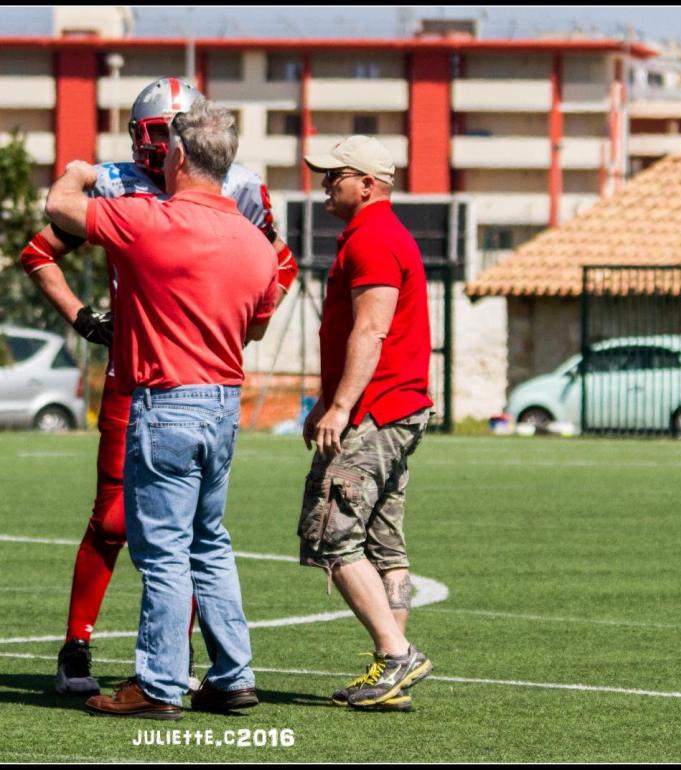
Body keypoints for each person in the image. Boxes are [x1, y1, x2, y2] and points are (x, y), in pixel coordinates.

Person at [18, 77, 297, 696]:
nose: (156, 148)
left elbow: (283, 264)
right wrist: (87, 319)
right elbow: (39, 252)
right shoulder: (134, 190)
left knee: (172, 538)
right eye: (150, 135)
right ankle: (93, 649)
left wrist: (73, 172)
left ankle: (163, 676)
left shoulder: (211, 195)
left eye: (166, 136)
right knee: (151, 526)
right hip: (173, 383)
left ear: (182, 144)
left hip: (170, 386)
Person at [299, 135, 434, 711]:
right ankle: (389, 669)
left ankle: (395, 652)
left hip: (376, 413)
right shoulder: (375, 235)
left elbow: (371, 331)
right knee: (384, 543)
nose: (326, 183)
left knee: (330, 533)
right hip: (396, 409)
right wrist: (328, 398)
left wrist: (338, 406)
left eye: (336, 175)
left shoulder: (375, 238)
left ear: (369, 185)